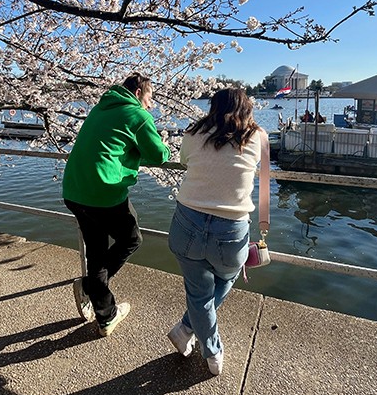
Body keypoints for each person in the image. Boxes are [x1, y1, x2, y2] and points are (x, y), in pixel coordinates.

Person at [166, 88, 265, 376]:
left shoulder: (195, 131)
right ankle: (202, 343)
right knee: (228, 276)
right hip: (230, 228)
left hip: (186, 222)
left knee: (199, 292)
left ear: (212, 107)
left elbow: (184, 160)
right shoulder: (256, 137)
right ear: (247, 108)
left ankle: (193, 334)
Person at [63, 73, 170, 336]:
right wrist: (165, 149)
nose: (150, 104)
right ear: (137, 93)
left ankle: (105, 314)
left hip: (75, 190)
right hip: (103, 193)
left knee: (97, 253)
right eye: (149, 97)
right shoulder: (137, 115)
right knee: (131, 239)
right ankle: (91, 287)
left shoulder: (100, 108)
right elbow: (158, 155)